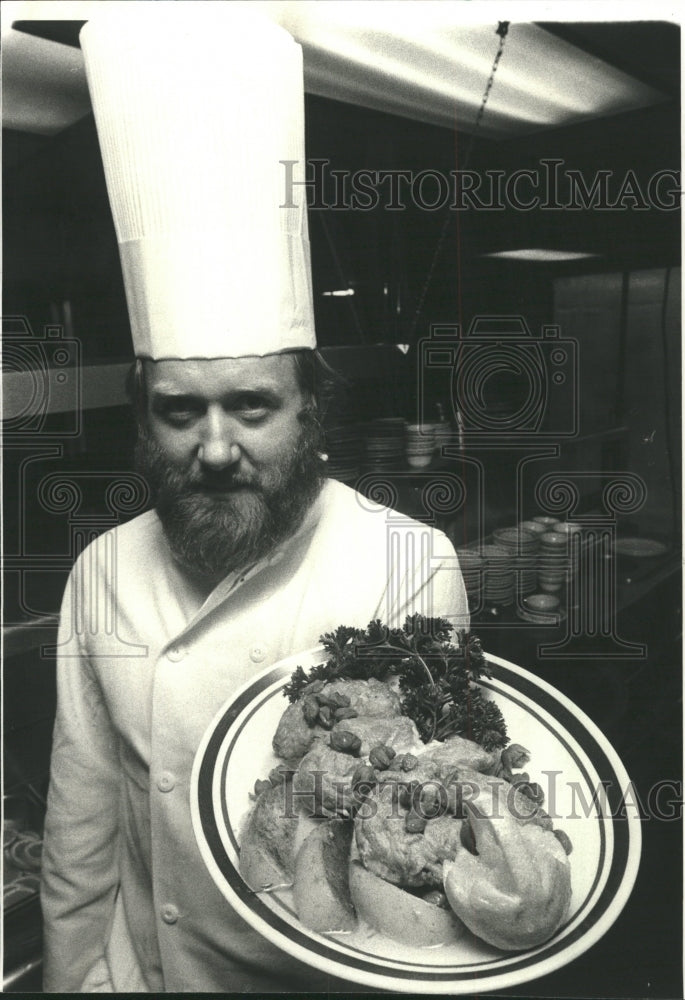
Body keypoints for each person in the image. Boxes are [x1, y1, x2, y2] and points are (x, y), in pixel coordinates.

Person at [40, 11, 469, 993]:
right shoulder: (100, 571)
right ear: (143, 419)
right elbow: (81, 824)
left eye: (253, 406)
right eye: (180, 410)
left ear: (310, 408)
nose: (217, 448)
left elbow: (425, 850)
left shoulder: (408, 564)